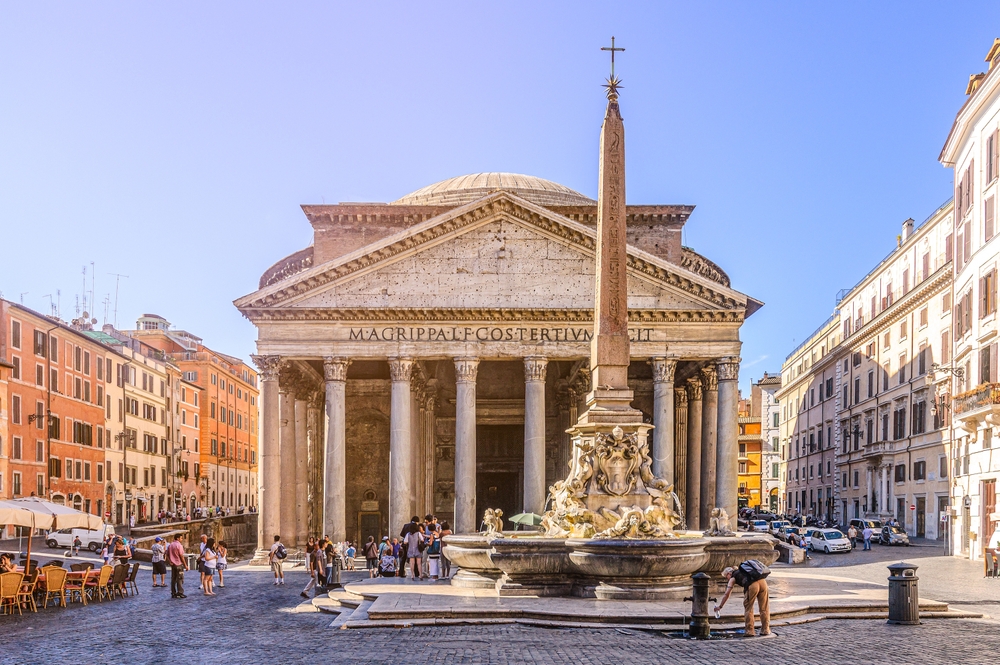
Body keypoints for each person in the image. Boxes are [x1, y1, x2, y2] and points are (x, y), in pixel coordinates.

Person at [715, 564, 771, 638]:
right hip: (763, 582)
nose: (727, 579)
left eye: (726, 577)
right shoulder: (743, 571)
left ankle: (750, 631)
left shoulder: (733, 577)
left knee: (749, 608)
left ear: (729, 573)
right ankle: (765, 629)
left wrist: (720, 606)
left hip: (752, 585)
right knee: (764, 607)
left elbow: (727, 594)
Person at [166, 533, 188, 598]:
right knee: (180, 579)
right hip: (178, 564)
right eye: (181, 538)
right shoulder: (179, 545)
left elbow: (166, 554)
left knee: (173, 579)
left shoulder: (170, 545)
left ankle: (173, 592)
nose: (182, 539)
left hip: (173, 564)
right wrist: (185, 565)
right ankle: (180, 592)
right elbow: (181, 556)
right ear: (178, 538)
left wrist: (170, 561)